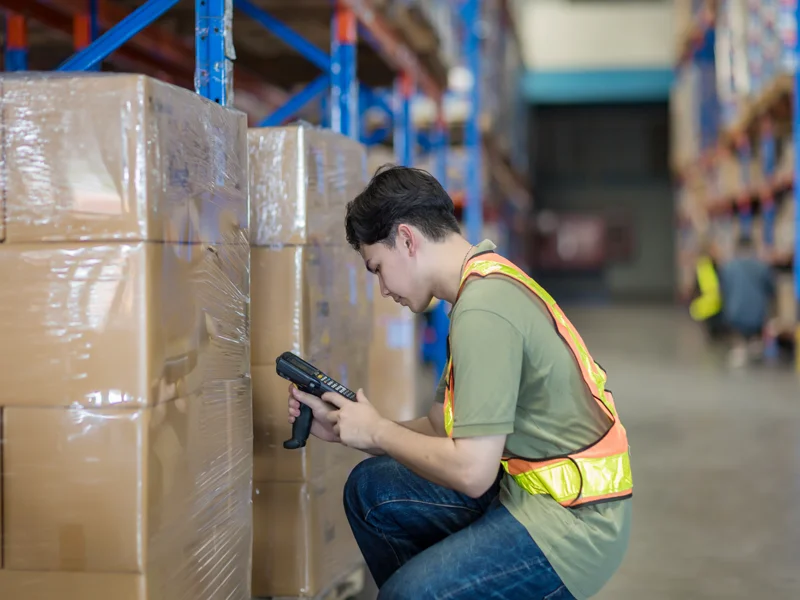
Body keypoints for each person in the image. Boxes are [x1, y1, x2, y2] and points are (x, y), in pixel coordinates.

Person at [287, 166, 633, 600]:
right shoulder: (476, 288)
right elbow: (439, 426)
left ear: (408, 239)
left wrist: (378, 431)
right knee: (370, 490)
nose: (382, 289)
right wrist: (348, 428)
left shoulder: (484, 310)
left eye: (377, 268)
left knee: (407, 595)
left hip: (573, 527)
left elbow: (471, 471)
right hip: (528, 493)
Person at [718, 235, 775, 367]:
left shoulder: (728, 267)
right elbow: (771, 290)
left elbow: (724, 291)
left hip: (734, 316)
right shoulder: (762, 267)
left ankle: (740, 347)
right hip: (758, 317)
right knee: (756, 350)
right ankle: (755, 346)